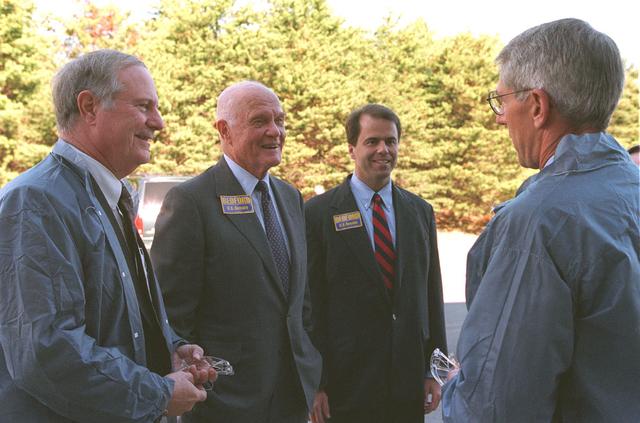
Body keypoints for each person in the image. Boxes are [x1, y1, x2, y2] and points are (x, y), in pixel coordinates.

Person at [0, 49, 215, 422]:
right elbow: (46, 351)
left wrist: (169, 351)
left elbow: (114, 321)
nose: (159, 122)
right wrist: (158, 393)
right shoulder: (36, 202)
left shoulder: (110, 196)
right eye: (144, 106)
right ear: (89, 107)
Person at [442, 18, 640, 422]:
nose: (499, 118)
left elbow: (497, 406)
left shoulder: (539, 221)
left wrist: (458, 389)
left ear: (537, 106)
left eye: (502, 100)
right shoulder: (629, 189)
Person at [150, 81, 322, 423]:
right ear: (224, 130)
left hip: (293, 395)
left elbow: (299, 301)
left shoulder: (290, 197)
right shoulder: (191, 201)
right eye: (260, 121)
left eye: (280, 120)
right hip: (225, 403)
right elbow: (169, 314)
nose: (275, 131)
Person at [305, 104, 448, 423]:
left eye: (391, 141)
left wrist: (433, 370)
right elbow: (311, 305)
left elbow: (431, 294)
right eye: (372, 141)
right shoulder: (318, 214)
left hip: (406, 383)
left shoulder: (420, 212)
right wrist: (317, 383)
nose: (383, 149)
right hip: (345, 387)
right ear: (352, 149)